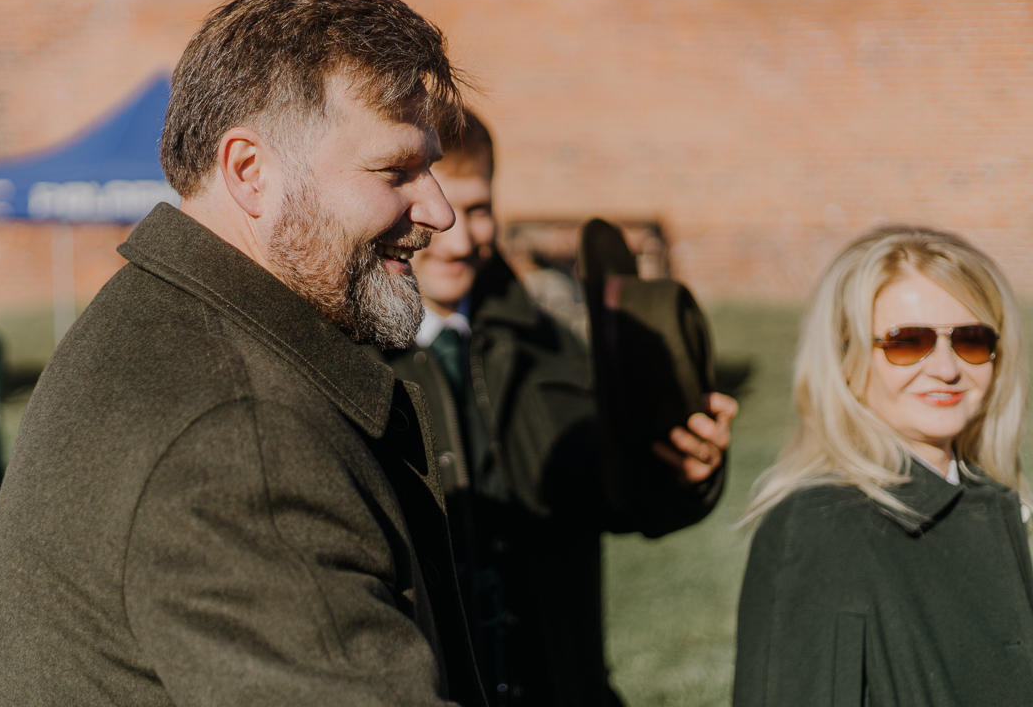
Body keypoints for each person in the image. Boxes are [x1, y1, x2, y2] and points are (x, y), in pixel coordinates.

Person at [0, 0, 486, 706]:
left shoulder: (163, 323)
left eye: (429, 168)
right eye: (395, 170)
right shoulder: (240, 438)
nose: (438, 210)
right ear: (250, 172)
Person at [379, 110, 737, 706]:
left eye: (479, 210)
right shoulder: (354, 363)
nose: (460, 240)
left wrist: (681, 472)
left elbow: (615, 492)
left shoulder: (550, 347)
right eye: (443, 210)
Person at [733, 226, 1033, 706]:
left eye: (971, 340)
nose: (947, 369)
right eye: (907, 342)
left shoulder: (993, 505)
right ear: (846, 359)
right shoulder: (819, 525)